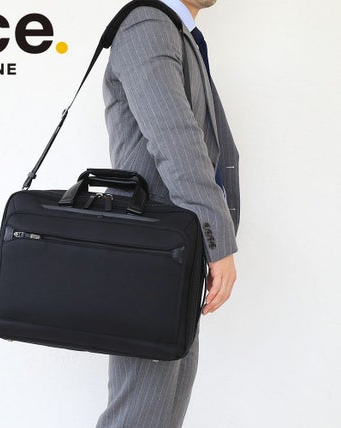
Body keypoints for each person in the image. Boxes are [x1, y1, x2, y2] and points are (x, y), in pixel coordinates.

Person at [96, 0, 240, 426]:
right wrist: (218, 240)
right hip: (150, 255)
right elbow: (176, 142)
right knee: (140, 414)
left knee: (159, 412)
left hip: (173, 253)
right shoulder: (147, 25)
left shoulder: (179, 34)